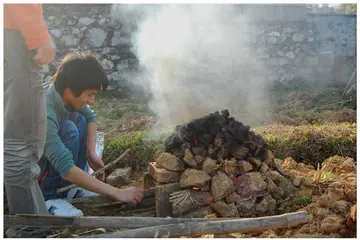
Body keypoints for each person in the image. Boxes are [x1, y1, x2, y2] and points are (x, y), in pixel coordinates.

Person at [38, 52, 144, 216]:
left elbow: (90, 115)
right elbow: (66, 168)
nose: (92, 100)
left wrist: (90, 152)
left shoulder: (63, 96)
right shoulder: (44, 110)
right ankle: (49, 197)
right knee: (69, 129)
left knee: (80, 118)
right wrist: (117, 192)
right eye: (90, 94)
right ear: (69, 89)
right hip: (29, 168)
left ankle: (70, 189)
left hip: (53, 160)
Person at [4, 4, 56, 237]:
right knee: (20, 148)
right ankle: (28, 229)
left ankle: (33, 224)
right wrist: (39, 35)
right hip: (18, 37)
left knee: (20, 146)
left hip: (13, 36)